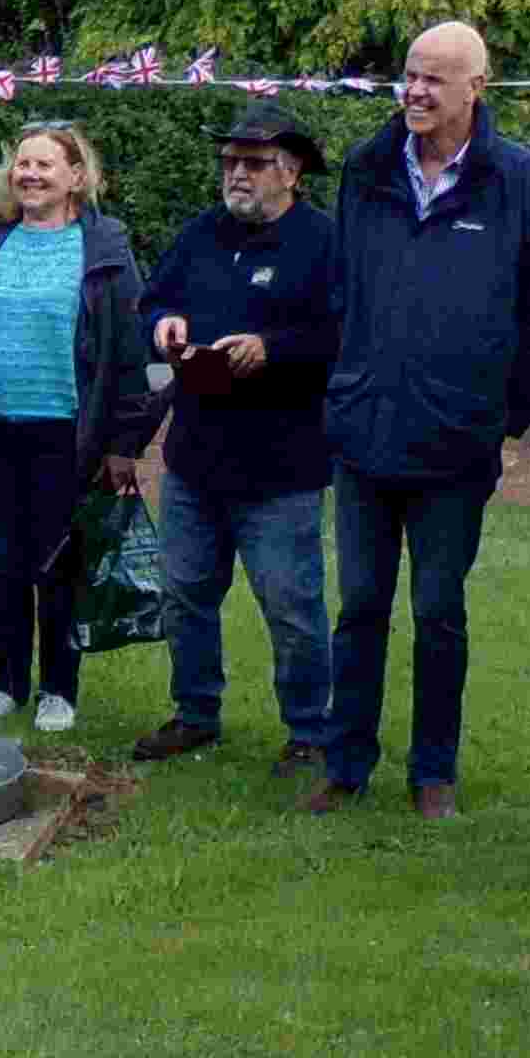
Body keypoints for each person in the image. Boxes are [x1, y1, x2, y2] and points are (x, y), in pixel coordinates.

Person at [306, 21, 530, 818]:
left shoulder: (522, 182)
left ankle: (433, 773)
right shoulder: (364, 167)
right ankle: (344, 763)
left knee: (437, 613)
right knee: (357, 609)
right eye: (409, 75)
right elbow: (339, 288)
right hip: (362, 433)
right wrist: (346, 382)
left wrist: (505, 414)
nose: (415, 92)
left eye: (435, 79)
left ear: (476, 89)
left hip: (455, 442)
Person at [129, 103, 340, 770]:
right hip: (195, 457)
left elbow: (344, 334)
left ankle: (309, 730)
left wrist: (269, 347)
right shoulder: (201, 234)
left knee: (290, 605)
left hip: (281, 464)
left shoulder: (324, 242)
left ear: (292, 171)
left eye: (252, 163)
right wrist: (163, 324)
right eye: (229, 162)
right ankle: (195, 713)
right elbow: (153, 300)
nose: (236, 174)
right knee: (183, 594)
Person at [0, 120, 157, 736]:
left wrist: (123, 444)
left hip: (68, 433)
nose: (30, 174)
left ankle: (58, 690)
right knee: (4, 563)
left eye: (45, 165)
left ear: (76, 177)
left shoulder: (105, 247)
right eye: (22, 164)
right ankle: (7, 685)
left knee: (58, 563)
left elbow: (126, 351)